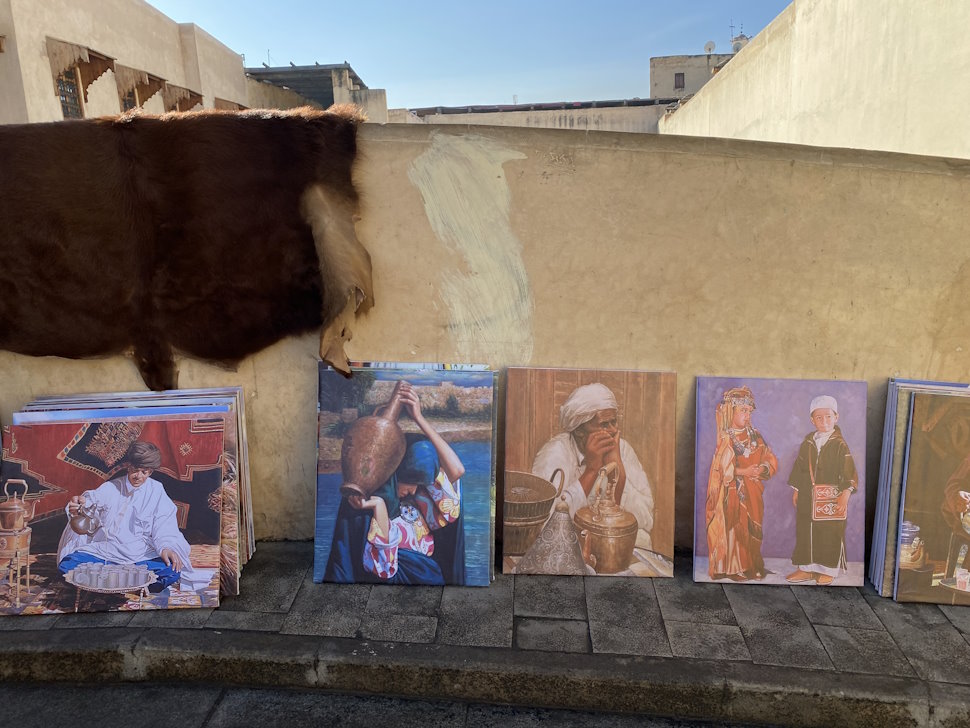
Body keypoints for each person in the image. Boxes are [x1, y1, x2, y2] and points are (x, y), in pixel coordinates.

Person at [325, 382, 466, 584]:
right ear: (393, 473)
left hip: (430, 575)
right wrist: (377, 505)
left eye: (419, 483)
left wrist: (419, 418)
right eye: (409, 482)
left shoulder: (422, 499)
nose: (414, 490)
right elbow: (385, 568)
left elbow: (457, 470)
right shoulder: (371, 500)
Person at [57, 441, 198, 593]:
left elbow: (164, 525)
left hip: (140, 554)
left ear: (150, 472)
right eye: (135, 470)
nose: (138, 476)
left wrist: (165, 547)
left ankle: (111, 582)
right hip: (107, 551)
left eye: (144, 472)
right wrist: (80, 503)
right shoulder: (112, 487)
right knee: (68, 565)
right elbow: (91, 500)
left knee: (172, 570)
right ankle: (130, 583)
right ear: (128, 467)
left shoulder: (156, 491)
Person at [531, 382, 655, 552]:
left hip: (611, 543)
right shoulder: (555, 452)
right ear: (579, 430)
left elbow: (646, 519)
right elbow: (549, 526)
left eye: (614, 422)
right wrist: (591, 470)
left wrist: (617, 472)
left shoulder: (622, 449)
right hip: (569, 547)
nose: (613, 430)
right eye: (604, 424)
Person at [705, 386, 779, 580]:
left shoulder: (755, 436)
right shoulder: (726, 438)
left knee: (752, 527)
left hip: (753, 490)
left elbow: (769, 458)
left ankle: (750, 565)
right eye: (743, 411)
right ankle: (732, 568)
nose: (747, 415)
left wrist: (762, 469)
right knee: (735, 528)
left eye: (749, 411)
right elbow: (721, 470)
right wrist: (744, 471)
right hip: (732, 491)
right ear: (731, 412)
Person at [786, 395, 858, 585]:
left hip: (831, 498)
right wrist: (796, 490)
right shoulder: (808, 443)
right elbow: (800, 468)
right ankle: (807, 569)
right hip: (807, 497)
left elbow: (849, 471)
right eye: (819, 417)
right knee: (805, 530)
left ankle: (828, 570)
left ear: (836, 417)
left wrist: (846, 493)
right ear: (812, 420)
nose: (824, 421)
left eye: (828, 416)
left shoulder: (840, 445)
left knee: (829, 533)